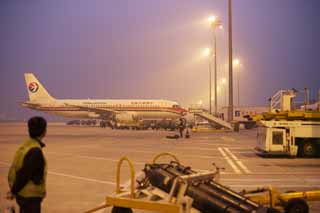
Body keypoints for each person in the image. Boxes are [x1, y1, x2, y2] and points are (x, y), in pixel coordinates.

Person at [7, 116, 47, 213]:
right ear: (44, 132)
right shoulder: (35, 151)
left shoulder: (25, 146)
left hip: (23, 194)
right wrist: (13, 191)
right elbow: (24, 173)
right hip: (31, 197)